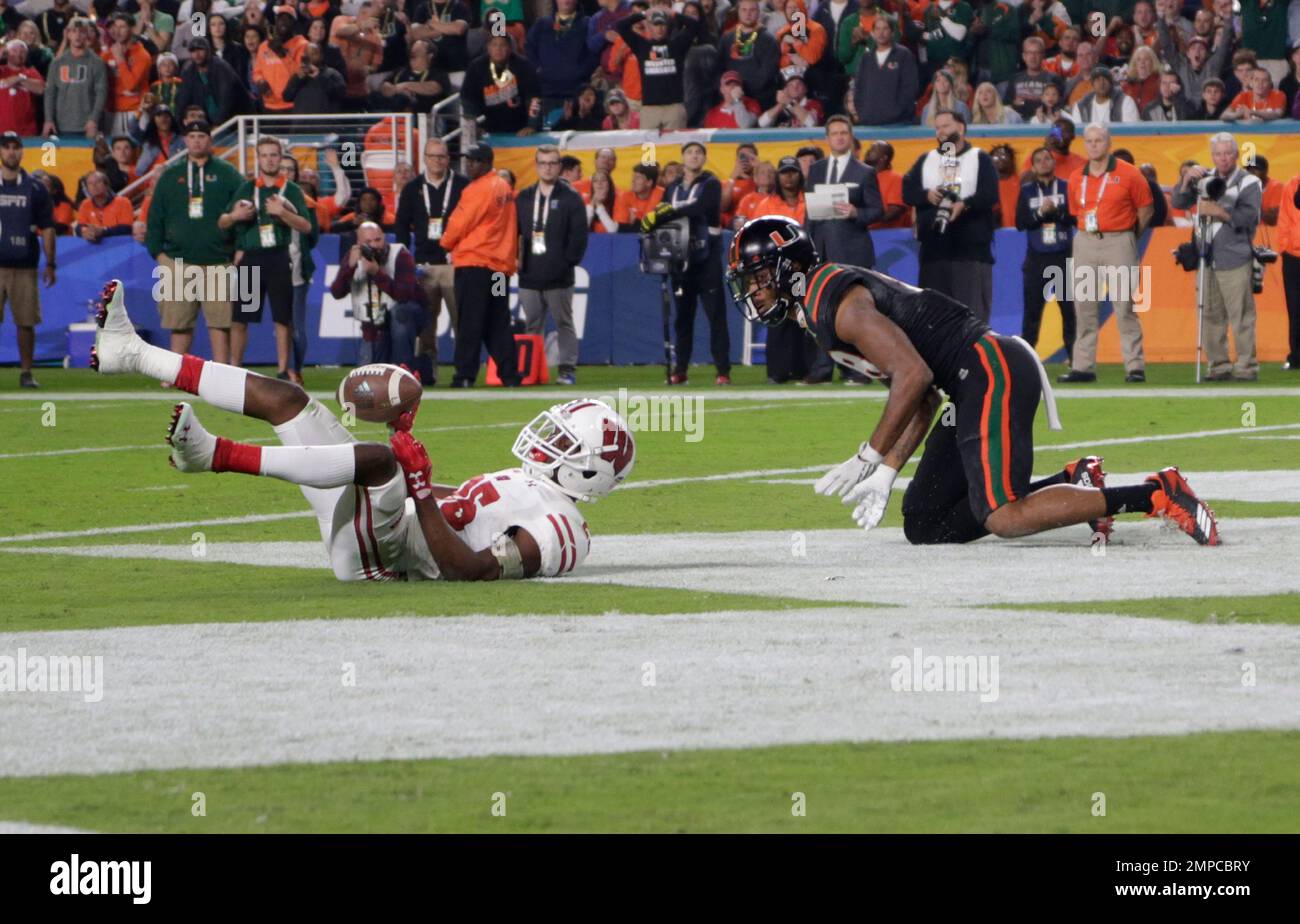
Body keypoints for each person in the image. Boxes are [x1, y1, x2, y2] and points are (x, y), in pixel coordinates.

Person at [725, 214, 1221, 548]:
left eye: (756, 278)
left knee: (1002, 516)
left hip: (988, 368)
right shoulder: (820, 307)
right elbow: (920, 397)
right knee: (925, 524)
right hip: (967, 383)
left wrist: (868, 455)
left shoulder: (835, 302)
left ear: (786, 268)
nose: (752, 291)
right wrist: (888, 472)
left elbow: (913, 374)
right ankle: (1073, 483)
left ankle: (1156, 492)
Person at [92, 280, 635, 581]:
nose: (546, 438)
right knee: (288, 399)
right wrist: (417, 463)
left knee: (379, 462)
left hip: (384, 559)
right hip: (382, 526)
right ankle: (135, 354)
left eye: (563, 441)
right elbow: (457, 508)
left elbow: (469, 570)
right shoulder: (530, 483)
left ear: (586, 472)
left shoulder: (565, 528)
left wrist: (415, 486)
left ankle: (215, 456)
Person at [1059, 122, 1155, 384]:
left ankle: (1134, 366)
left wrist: (1128, 236)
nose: (1093, 145)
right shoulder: (1077, 177)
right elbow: (1075, 210)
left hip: (1118, 239)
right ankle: (1083, 366)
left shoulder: (1130, 174)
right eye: (1089, 141)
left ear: (1109, 143)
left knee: (1124, 305)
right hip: (1086, 240)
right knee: (1084, 305)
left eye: (1098, 140)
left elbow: (1146, 208)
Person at [142, 119, 243, 366]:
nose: (197, 140)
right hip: (177, 260)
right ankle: (176, 371)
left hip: (219, 260)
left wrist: (239, 249)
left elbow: (243, 214)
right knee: (179, 323)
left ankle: (222, 371)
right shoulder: (170, 176)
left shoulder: (227, 173)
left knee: (220, 322)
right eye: (192, 136)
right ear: (185, 141)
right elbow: (155, 217)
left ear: (211, 140)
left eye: (202, 136)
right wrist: (158, 254)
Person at [1170, 133, 1262, 383]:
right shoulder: (1204, 178)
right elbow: (1178, 201)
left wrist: (1220, 212)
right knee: (1210, 313)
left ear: (1236, 154)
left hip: (1234, 256)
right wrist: (1186, 179)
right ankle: (1218, 365)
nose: (1223, 158)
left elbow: (1249, 219)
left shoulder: (1249, 182)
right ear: (1212, 156)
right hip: (1206, 256)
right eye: (1218, 154)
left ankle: (1246, 366)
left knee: (1240, 314)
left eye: (1228, 153)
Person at [220, 136, 315, 376]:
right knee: (241, 317)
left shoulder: (291, 190)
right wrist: (235, 217)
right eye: (265, 155)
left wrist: (282, 213)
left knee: (282, 318)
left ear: (280, 157)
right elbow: (222, 222)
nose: (270, 160)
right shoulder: (247, 188)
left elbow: (306, 226)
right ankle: (235, 368)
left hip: (278, 257)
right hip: (252, 257)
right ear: (258, 158)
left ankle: (283, 370)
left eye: (274, 155)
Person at [640, 140, 730, 386]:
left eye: (699, 153)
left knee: (715, 315)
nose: (694, 156)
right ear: (682, 158)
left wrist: (664, 212)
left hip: (706, 256)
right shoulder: (673, 187)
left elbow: (699, 207)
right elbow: (662, 212)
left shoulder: (711, 183)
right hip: (680, 256)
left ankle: (723, 370)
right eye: (690, 152)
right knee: (682, 317)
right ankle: (680, 369)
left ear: (704, 158)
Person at [902, 109, 999, 322]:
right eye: (937, 127)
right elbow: (907, 191)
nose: (941, 132)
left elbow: (990, 194)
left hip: (970, 252)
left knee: (971, 318)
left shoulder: (979, 157)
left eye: (946, 126)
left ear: (961, 128)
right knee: (933, 320)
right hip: (934, 253)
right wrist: (925, 195)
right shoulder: (927, 159)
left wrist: (964, 204)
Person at [439, 144, 519, 388]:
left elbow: (460, 224)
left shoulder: (478, 188)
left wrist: (445, 243)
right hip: (498, 270)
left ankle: (464, 374)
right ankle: (510, 375)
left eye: (473, 161)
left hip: (475, 265)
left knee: (470, 322)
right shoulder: (503, 186)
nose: (468, 165)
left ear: (485, 162)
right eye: (467, 160)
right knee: (498, 322)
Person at [395, 138, 466, 386]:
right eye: (433, 156)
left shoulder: (461, 185)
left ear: (448, 158)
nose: (438, 161)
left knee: (462, 320)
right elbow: (402, 225)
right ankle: (427, 371)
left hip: (455, 264)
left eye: (442, 156)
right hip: (423, 265)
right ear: (424, 158)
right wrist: (405, 262)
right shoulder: (412, 187)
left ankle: (463, 371)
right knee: (426, 324)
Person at [516, 145, 589, 386]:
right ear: (536, 166)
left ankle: (567, 369)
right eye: (543, 163)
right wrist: (517, 262)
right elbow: (514, 232)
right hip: (529, 275)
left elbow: (578, 237)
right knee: (531, 325)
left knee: (564, 322)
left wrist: (566, 263)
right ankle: (531, 370)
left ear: (559, 167)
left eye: (552, 163)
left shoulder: (571, 198)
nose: (548, 167)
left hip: (559, 276)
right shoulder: (525, 197)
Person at [0, 132, 55, 389]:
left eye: (15, 147)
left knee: (26, 321)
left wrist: (51, 263)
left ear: (22, 151)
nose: (11, 152)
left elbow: (48, 227)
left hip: (24, 265)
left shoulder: (35, 188)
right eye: (7, 147)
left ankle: (26, 372)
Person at [328, 220, 423, 366]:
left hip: (406, 316)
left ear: (384, 237)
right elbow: (337, 292)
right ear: (359, 242)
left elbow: (404, 295)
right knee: (368, 377)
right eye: (368, 241)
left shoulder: (400, 255)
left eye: (378, 239)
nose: (374, 245)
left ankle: (402, 369)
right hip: (374, 323)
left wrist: (377, 273)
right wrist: (349, 267)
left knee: (401, 313)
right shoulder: (353, 256)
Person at [1016, 145, 1075, 359]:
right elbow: (1021, 223)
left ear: (1054, 162)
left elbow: (1074, 219)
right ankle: (1026, 360)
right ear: (1032, 166)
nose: (1043, 162)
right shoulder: (1026, 191)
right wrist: (1041, 213)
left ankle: (1076, 360)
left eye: (1047, 158)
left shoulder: (1067, 187)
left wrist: (1056, 212)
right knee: (1032, 313)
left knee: (1069, 311)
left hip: (1063, 256)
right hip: (1036, 259)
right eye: (1038, 159)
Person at [613, 7, 699, 131]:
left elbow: (694, 26)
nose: (659, 29)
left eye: (662, 24)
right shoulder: (641, 46)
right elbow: (621, 26)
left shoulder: (677, 45)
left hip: (673, 108)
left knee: (674, 148)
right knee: (649, 149)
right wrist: (643, 14)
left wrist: (673, 13)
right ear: (649, 26)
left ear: (668, 26)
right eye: (656, 25)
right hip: (649, 109)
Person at [460, 29, 540, 135]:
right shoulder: (476, 67)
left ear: (510, 48)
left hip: (520, 128)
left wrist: (532, 126)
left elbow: (533, 98)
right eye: (494, 45)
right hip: (487, 128)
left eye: (503, 45)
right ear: (488, 48)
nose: (498, 49)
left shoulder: (524, 66)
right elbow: (468, 100)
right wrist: (474, 127)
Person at [42, 20, 106, 138]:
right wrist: (49, 119)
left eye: (81, 32)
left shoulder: (97, 62)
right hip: (60, 125)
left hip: (88, 125)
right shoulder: (57, 63)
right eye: (74, 31)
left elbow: (101, 94)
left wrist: (94, 119)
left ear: (87, 35)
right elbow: (50, 93)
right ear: (68, 34)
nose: (77, 35)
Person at [851, 15, 917, 125]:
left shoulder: (903, 55)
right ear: (872, 33)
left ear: (892, 32)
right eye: (877, 29)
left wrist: (896, 112)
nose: (881, 33)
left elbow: (910, 88)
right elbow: (859, 88)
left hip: (897, 122)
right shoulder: (867, 58)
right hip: (869, 121)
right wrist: (863, 113)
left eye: (885, 28)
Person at [718, 0, 779, 109]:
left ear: (758, 12)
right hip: (730, 98)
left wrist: (742, 92)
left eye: (752, 10)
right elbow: (720, 68)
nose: (748, 14)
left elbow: (766, 74)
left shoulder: (769, 40)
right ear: (738, 12)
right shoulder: (726, 38)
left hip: (759, 100)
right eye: (744, 10)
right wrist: (729, 91)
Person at [176, 37, 248, 126]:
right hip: (208, 122)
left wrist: (217, 125)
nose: (197, 54)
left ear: (208, 51)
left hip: (234, 120)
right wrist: (179, 127)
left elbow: (226, 99)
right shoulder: (189, 70)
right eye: (193, 51)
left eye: (200, 50)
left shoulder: (221, 67)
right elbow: (183, 99)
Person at [100, 13, 151, 136]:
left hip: (135, 111)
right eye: (115, 27)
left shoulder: (142, 55)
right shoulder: (106, 55)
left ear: (132, 29)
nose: (118, 31)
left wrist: (120, 59)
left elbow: (131, 85)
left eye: (122, 27)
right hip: (112, 113)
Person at [284, 41, 347, 113]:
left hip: (324, 122)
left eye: (313, 53)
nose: (309, 56)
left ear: (321, 55)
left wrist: (319, 77)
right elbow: (286, 97)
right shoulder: (298, 75)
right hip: (302, 122)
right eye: (306, 54)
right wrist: (297, 79)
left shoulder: (333, 74)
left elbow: (341, 94)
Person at [73, 169, 133, 242]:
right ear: (87, 189)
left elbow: (127, 229)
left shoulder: (123, 202)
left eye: (98, 182)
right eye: (90, 184)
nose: (94, 186)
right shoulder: (85, 204)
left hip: (119, 244)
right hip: (95, 247)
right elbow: (79, 227)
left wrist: (104, 231)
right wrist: (85, 231)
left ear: (106, 185)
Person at [0, 40, 45, 136]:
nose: (18, 54)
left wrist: (19, 79)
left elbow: (41, 89)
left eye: (22, 51)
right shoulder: (2, 70)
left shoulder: (31, 72)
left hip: (27, 130)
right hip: (2, 130)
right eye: (14, 50)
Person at [1069, 66, 1141, 124]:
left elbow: (1131, 133)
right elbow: (1077, 135)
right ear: (1092, 84)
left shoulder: (1125, 102)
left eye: (1105, 79)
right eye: (1097, 80)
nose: (1101, 83)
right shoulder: (1081, 106)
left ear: (1111, 83)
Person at [614, 163, 663, 231]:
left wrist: (636, 222)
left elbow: (657, 228)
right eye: (633, 177)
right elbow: (622, 230)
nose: (633, 180)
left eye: (638, 177)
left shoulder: (662, 195)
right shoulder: (624, 197)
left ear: (649, 182)